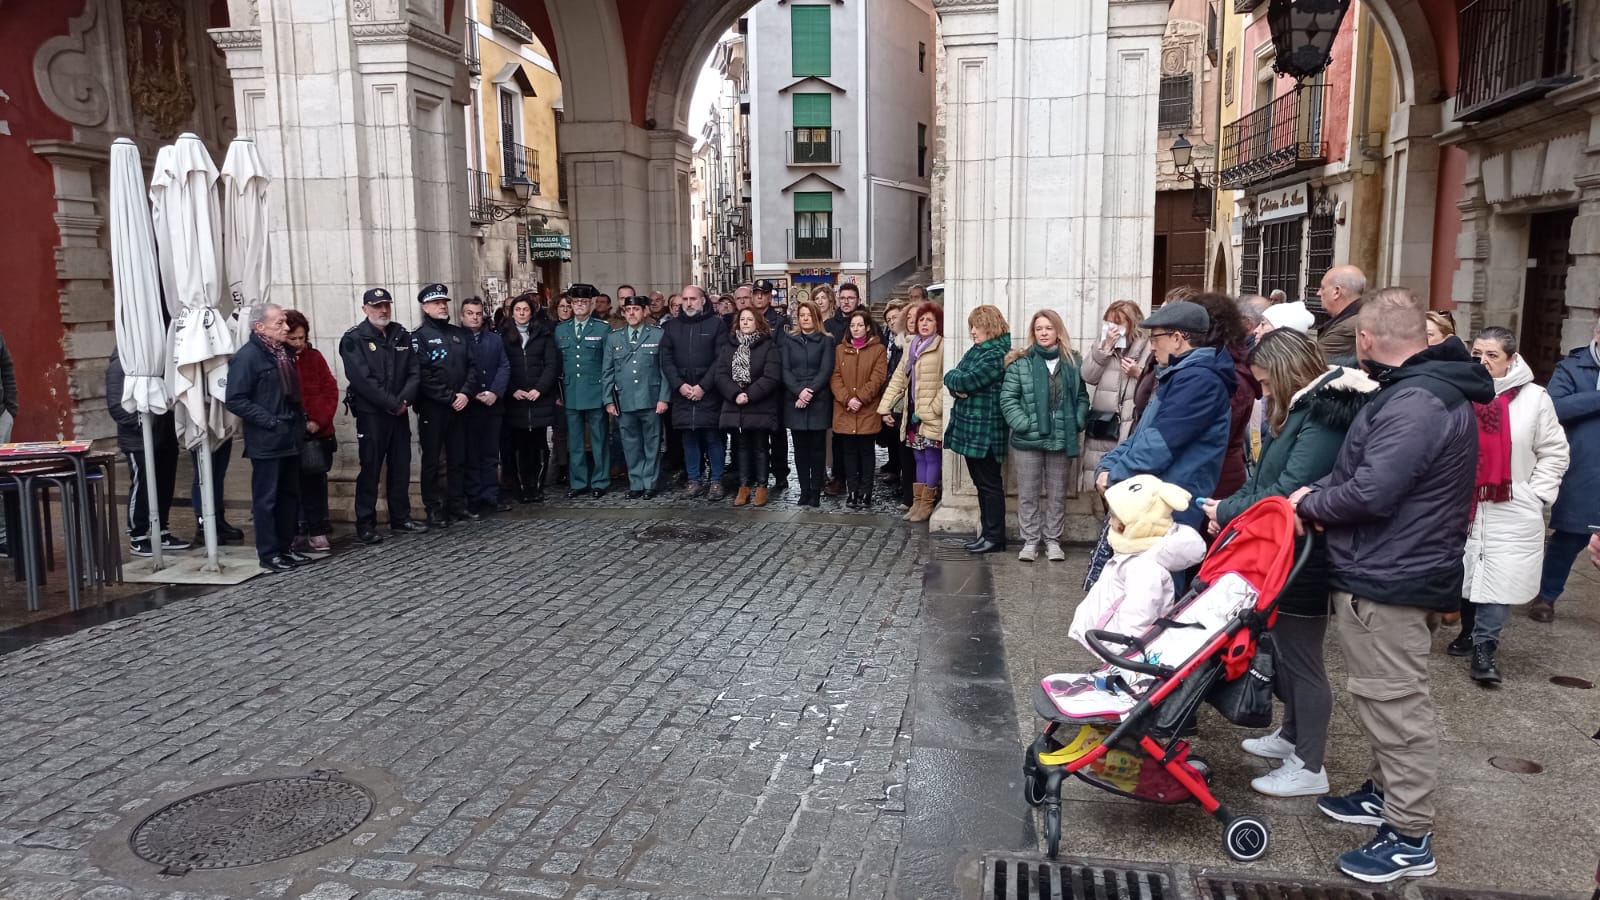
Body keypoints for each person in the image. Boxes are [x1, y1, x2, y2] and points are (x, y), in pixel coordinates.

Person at [1291, 288, 1493, 884]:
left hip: (1391, 572)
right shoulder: (1420, 392)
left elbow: (1372, 491)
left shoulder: (1416, 402)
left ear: (1366, 339)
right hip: (1395, 565)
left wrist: (1311, 502)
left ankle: (1409, 835)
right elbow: (1366, 469)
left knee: (1396, 705)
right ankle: (1384, 795)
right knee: (1385, 699)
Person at [1203, 330, 1378, 799]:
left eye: (1265, 382)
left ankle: (1310, 763)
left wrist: (1224, 512)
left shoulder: (1322, 415)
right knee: (1285, 650)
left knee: (1302, 660)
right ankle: (1291, 736)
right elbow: (1266, 477)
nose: (1262, 392)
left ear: (1285, 371)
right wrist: (1226, 506)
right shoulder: (1302, 408)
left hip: (1304, 554)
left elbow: (1288, 488)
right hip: (1286, 548)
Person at [1451, 327, 1569, 683]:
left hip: (1511, 503)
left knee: (1500, 577)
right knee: (1465, 569)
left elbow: (1554, 451)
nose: (1483, 362)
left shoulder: (1535, 399)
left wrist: (1537, 494)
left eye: (1492, 356)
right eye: (1477, 354)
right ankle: (1468, 631)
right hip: (1462, 500)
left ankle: (1486, 647)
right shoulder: (1459, 392)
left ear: (1512, 359)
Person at [1095, 301, 1235, 531]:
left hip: (1171, 507)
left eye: (1155, 338)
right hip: (1153, 501)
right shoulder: (1178, 376)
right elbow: (1142, 435)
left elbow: (1160, 445)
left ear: (1178, 338)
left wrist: (1114, 475)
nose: (1152, 347)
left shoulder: (1200, 381)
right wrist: (1107, 465)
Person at [224, 304, 307, 574]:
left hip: (290, 436)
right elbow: (235, 399)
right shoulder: (248, 357)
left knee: (289, 495)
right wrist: (269, 421)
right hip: (267, 439)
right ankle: (269, 553)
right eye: (279, 323)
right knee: (267, 498)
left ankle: (286, 546)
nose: (286, 327)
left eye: (285, 322)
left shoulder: (284, 354)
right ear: (260, 327)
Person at [1001, 310, 1089, 562]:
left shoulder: (1073, 362)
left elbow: (1082, 397)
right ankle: (1030, 541)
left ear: (1058, 331)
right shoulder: (1021, 362)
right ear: (1033, 332)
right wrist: (1023, 423)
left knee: (1057, 492)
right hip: (1028, 439)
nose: (1043, 333)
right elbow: (1008, 399)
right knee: (1027, 492)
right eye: (1039, 328)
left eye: (1048, 328)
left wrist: (1078, 420)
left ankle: (1053, 540)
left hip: (1062, 437)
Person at [340, 287, 425, 544]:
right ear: (365, 309)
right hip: (372, 413)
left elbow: (414, 372)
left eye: (386, 305)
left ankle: (401, 517)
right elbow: (361, 379)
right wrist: (390, 402)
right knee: (371, 468)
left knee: (400, 465)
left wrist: (404, 401)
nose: (383, 310)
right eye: (377, 306)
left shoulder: (400, 334)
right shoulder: (354, 339)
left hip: (398, 412)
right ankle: (365, 523)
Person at [1532, 317, 1600, 622]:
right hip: (1584, 465)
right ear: (1597, 335)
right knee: (1570, 536)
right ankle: (1546, 596)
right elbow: (1555, 407)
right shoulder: (1571, 367)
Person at [106, 351, 189, 557]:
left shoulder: (156, 360)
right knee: (142, 485)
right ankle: (138, 535)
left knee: (165, 482)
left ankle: (161, 529)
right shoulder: (121, 365)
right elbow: (118, 407)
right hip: (138, 440)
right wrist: (144, 426)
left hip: (164, 435)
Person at [945, 305, 1012, 553]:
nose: (972, 331)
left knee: (989, 485)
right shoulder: (979, 350)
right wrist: (955, 383)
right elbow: (953, 376)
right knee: (982, 484)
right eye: (971, 326)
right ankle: (988, 533)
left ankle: (995, 536)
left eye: (977, 326)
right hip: (973, 428)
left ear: (990, 326)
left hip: (986, 430)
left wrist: (957, 382)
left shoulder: (995, 354)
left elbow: (966, 379)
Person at [412, 283, 476, 526]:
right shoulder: (419, 337)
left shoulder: (458, 333)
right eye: (436, 302)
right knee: (432, 460)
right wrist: (449, 397)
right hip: (434, 408)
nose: (442, 306)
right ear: (425, 306)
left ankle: (457, 504)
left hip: (461, 405)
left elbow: (472, 367)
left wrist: (465, 394)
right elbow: (423, 375)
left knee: (458, 458)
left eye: (444, 302)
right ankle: (434, 508)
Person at [879, 302, 945, 523]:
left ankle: (927, 503)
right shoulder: (912, 345)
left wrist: (933, 408)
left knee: (931, 455)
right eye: (921, 320)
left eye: (929, 320)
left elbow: (945, 382)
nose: (924, 324)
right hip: (913, 411)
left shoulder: (942, 345)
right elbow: (899, 377)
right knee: (917, 455)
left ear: (938, 323)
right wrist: (885, 406)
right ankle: (917, 502)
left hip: (931, 413)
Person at [662, 285, 729, 500]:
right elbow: (665, 359)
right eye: (685, 299)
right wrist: (679, 385)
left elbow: (721, 359)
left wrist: (703, 386)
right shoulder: (671, 327)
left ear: (703, 301)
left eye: (693, 299)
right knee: (689, 438)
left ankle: (716, 481)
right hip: (682, 392)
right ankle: (694, 480)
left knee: (712, 437)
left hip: (708, 392)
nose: (688, 303)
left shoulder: (716, 325)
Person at [1193, 292, 1262, 500]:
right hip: (1215, 471)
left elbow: (1215, 431)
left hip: (1216, 477)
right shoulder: (1228, 366)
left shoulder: (1230, 375)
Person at [603, 294, 671, 499]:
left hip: (650, 398)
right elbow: (607, 371)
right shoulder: (614, 337)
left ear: (645, 311)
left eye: (636, 309)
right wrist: (608, 399)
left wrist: (663, 398)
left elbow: (665, 370)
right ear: (623, 313)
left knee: (651, 443)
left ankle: (650, 482)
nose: (631, 313)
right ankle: (636, 482)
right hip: (624, 399)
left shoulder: (658, 335)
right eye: (628, 310)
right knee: (630, 444)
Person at [715, 308, 783, 507]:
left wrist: (749, 395)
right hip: (736, 405)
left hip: (759, 404)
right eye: (742, 319)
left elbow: (771, 376)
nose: (745, 323)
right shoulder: (729, 346)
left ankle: (762, 486)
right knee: (741, 447)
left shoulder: (768, 346)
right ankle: (744, 486)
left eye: (749, 319)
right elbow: (720, 374)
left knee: (761, 447)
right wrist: (735, 393)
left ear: (758, 322)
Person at [1080, 300, 1151, 490]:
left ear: (1132, 324)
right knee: (1099, 481)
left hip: (1130, 421)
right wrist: (1103, 350)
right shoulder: (1103, 344)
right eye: (1109, 323)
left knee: (1126, 485)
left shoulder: (1149, 346)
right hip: (1105, 423)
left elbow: (1156, 384)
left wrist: (1138, 373)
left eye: (1118, 323)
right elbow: (1088, 375)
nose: (1113, 329)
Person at [285, 309, 338, 551]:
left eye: (301, 338)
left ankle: (317, 527)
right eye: (293, 339)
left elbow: (330, 390)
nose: (298, 344)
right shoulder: (279, 361)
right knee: (289, 485)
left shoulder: (314, 358)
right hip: (289, 434)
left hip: (317, 433)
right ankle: (295, 528)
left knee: (315, 482)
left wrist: (318, 420)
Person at [554, 283, 613, 498]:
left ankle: (600, 481)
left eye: (584, 302)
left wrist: (608, 394)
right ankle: (578, 482)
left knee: (599, 439)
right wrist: (557, 393)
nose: (579, 305)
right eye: (576, 302)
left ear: (591, 304)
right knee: (575, 441)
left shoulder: (602, 328)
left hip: (595, 391)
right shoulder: (561, 329)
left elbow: (608, 363)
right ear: (571, 303)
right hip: (570, 392)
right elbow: (556, 363)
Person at [500, 294, 561, 503]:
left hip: (538, 398)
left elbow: (551, 364)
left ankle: (537, 487)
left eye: (525, 310)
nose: (522, 313)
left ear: (532, 312)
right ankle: (521, 488)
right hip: (515, 399)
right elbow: (500, 365)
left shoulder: (543, 334)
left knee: (539, 445)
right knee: (518, 447)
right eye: (518, 310)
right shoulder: (503, 336)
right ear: (512, 313)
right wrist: (512, 389)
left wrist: (540, 389)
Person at [831, 309, 888, 509]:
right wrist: (847, 399)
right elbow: (836, 377)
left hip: (867, 409)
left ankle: (866, 492)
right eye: (853, 325)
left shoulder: (878, 349)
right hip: (845, 409)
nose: (856, 329)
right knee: (849, 453)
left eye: (859, 325)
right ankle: (852, 491)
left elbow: (878, 378)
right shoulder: (840, 350)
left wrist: (860, 398)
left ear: (867, 327)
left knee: (866, 453)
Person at [781, 300, 835, 507]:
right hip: (795, 400)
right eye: (801, 315)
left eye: (809, 315)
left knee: (817, 448)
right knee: (800, 449)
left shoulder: (826, 341)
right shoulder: (789, 340)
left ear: (816, 318)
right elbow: (785, 370)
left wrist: (809, 392)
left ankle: (815, 490)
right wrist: (798, 392)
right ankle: (804, 490)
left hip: (817, 400)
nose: (805, 318)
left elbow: (825, 369)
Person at [461, 297, 511, 515]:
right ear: (462, 316)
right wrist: (470, 394)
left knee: (491, 453)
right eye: (470, 313)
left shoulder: (494, 339)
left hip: (492, 404)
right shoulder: (457, 339)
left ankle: (490, 495)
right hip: (468, 406)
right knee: (471, 453)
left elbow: (504, 366)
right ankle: (473, 496)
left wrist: (494, 392)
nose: (475, 317)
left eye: (478, 313)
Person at [750, 280, 790, 492]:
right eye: (756, 293)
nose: (759, 297)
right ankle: (760, 475)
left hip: (774, 389)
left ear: (769, 297)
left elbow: (781, 354)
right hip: (753, 388)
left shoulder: (781, 322)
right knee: (756, 436)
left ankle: (781, 474)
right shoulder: (746, 319)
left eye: (763, 294)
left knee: (777, 435)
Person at [878, 300, 911, 501]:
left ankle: (907, 484)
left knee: (905, 442)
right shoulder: (888, 339)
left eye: (895, 318)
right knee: (893, 438)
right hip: (890, 393)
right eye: (888, 319)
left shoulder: (905, 341)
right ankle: (895, 471)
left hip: (905, 395)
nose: (892, 322)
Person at [1315, 265, 1368, 364]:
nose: (1318, 293)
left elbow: (1309, 363)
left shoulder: (1347, 328)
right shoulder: (1363, 314)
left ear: (1337, 292)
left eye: (1323, 288)